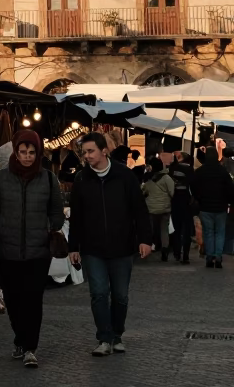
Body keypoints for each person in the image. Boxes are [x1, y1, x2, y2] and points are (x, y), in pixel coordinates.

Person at [0, 129, 64, 369]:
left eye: (31, 152)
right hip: (6, 251)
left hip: (38, 253)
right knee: (14, 299)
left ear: (37, 153)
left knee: (32, 300)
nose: (27, 156)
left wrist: (52, 226)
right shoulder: (2, 178)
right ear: (15, 153)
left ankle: (30, 347)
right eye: (22, 152)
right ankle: (20, 337)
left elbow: (56, 210)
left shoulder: (48, 178)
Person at [67, 132, 153, 356]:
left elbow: (139, 210)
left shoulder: (124, 176)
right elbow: (76, 216)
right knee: (98, 293)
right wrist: (73, 246)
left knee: (121, 295)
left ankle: (117, 335)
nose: (87, 156)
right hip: (92, 247)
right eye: (84, 152)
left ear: (104, 150)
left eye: (91, 151)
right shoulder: (82, 179)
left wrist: (145, 239)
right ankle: (104, 338)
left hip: (122, 246)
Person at [190, 146, 234, 269]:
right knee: (220, 232)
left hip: (205, 207)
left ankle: (209, 257)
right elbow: (230, 189)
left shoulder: (200, 171)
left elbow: (193, 186)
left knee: (208, 232)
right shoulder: (223, 172)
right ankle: (218, 256)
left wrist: (199, 198)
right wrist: (228, 201)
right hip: (221, 207)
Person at [141, 157, 176, 260]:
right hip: (165, 208)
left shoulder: (148, 179)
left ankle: (147, 247)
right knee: (164, 229)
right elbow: (172, 192)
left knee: (150, 229)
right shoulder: (166, 178)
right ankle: (165, 250)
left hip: (151, 208)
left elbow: (143, 192)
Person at [168, 151, 195, 263]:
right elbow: (193, 187)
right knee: (187, 230)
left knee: (177, 229)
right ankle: (186, 255)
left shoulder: (173, 169)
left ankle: (177, 253)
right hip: (187, 202)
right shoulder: (190, 170)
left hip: (175, 201)